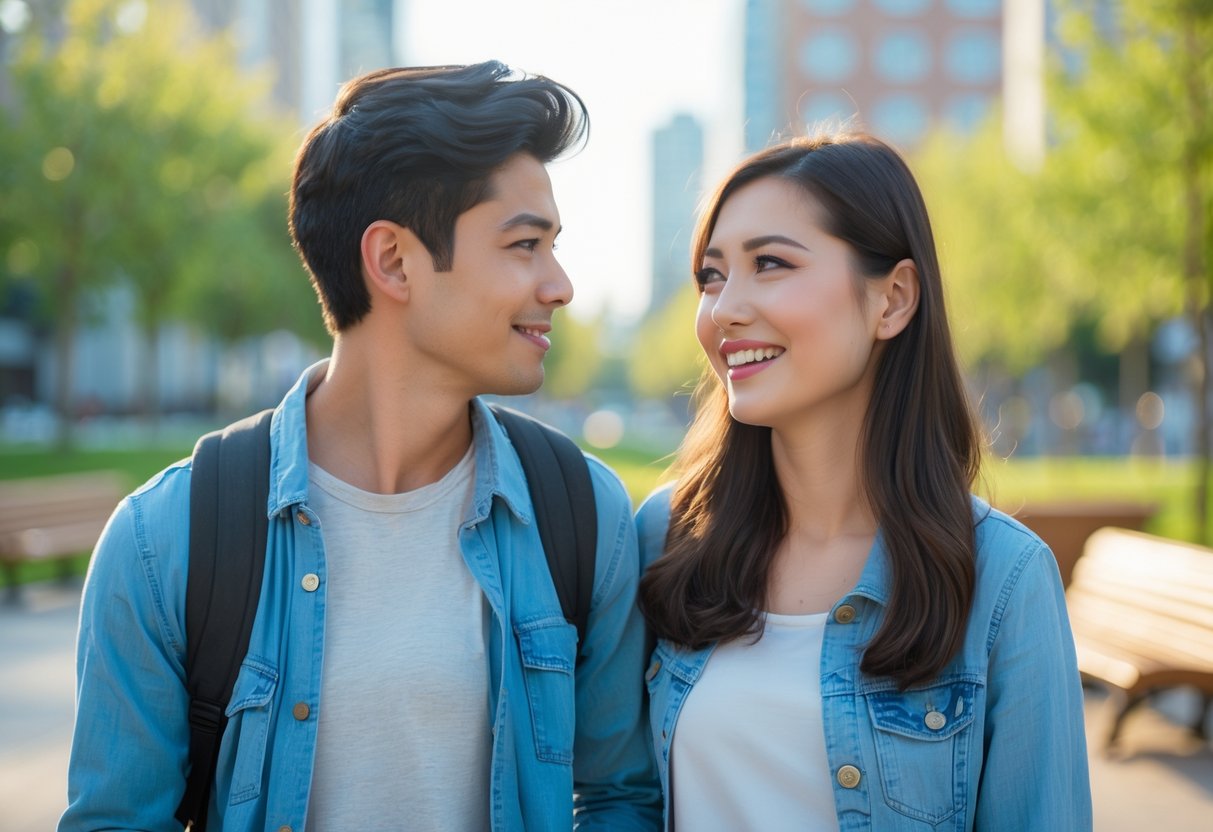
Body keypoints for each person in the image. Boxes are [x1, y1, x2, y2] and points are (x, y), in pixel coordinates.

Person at [61, 61, 660, 831]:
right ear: (392, 261)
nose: (561, 285)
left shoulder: (582, 513)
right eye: (524, 246)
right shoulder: (163, 541)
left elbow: (620, 798)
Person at [636, 133, 1092, 831]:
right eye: (711, 275)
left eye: (769, 264)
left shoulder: (1001, 579)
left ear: (892, 300)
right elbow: (619, 799)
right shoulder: (665, 537)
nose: (723, 308)